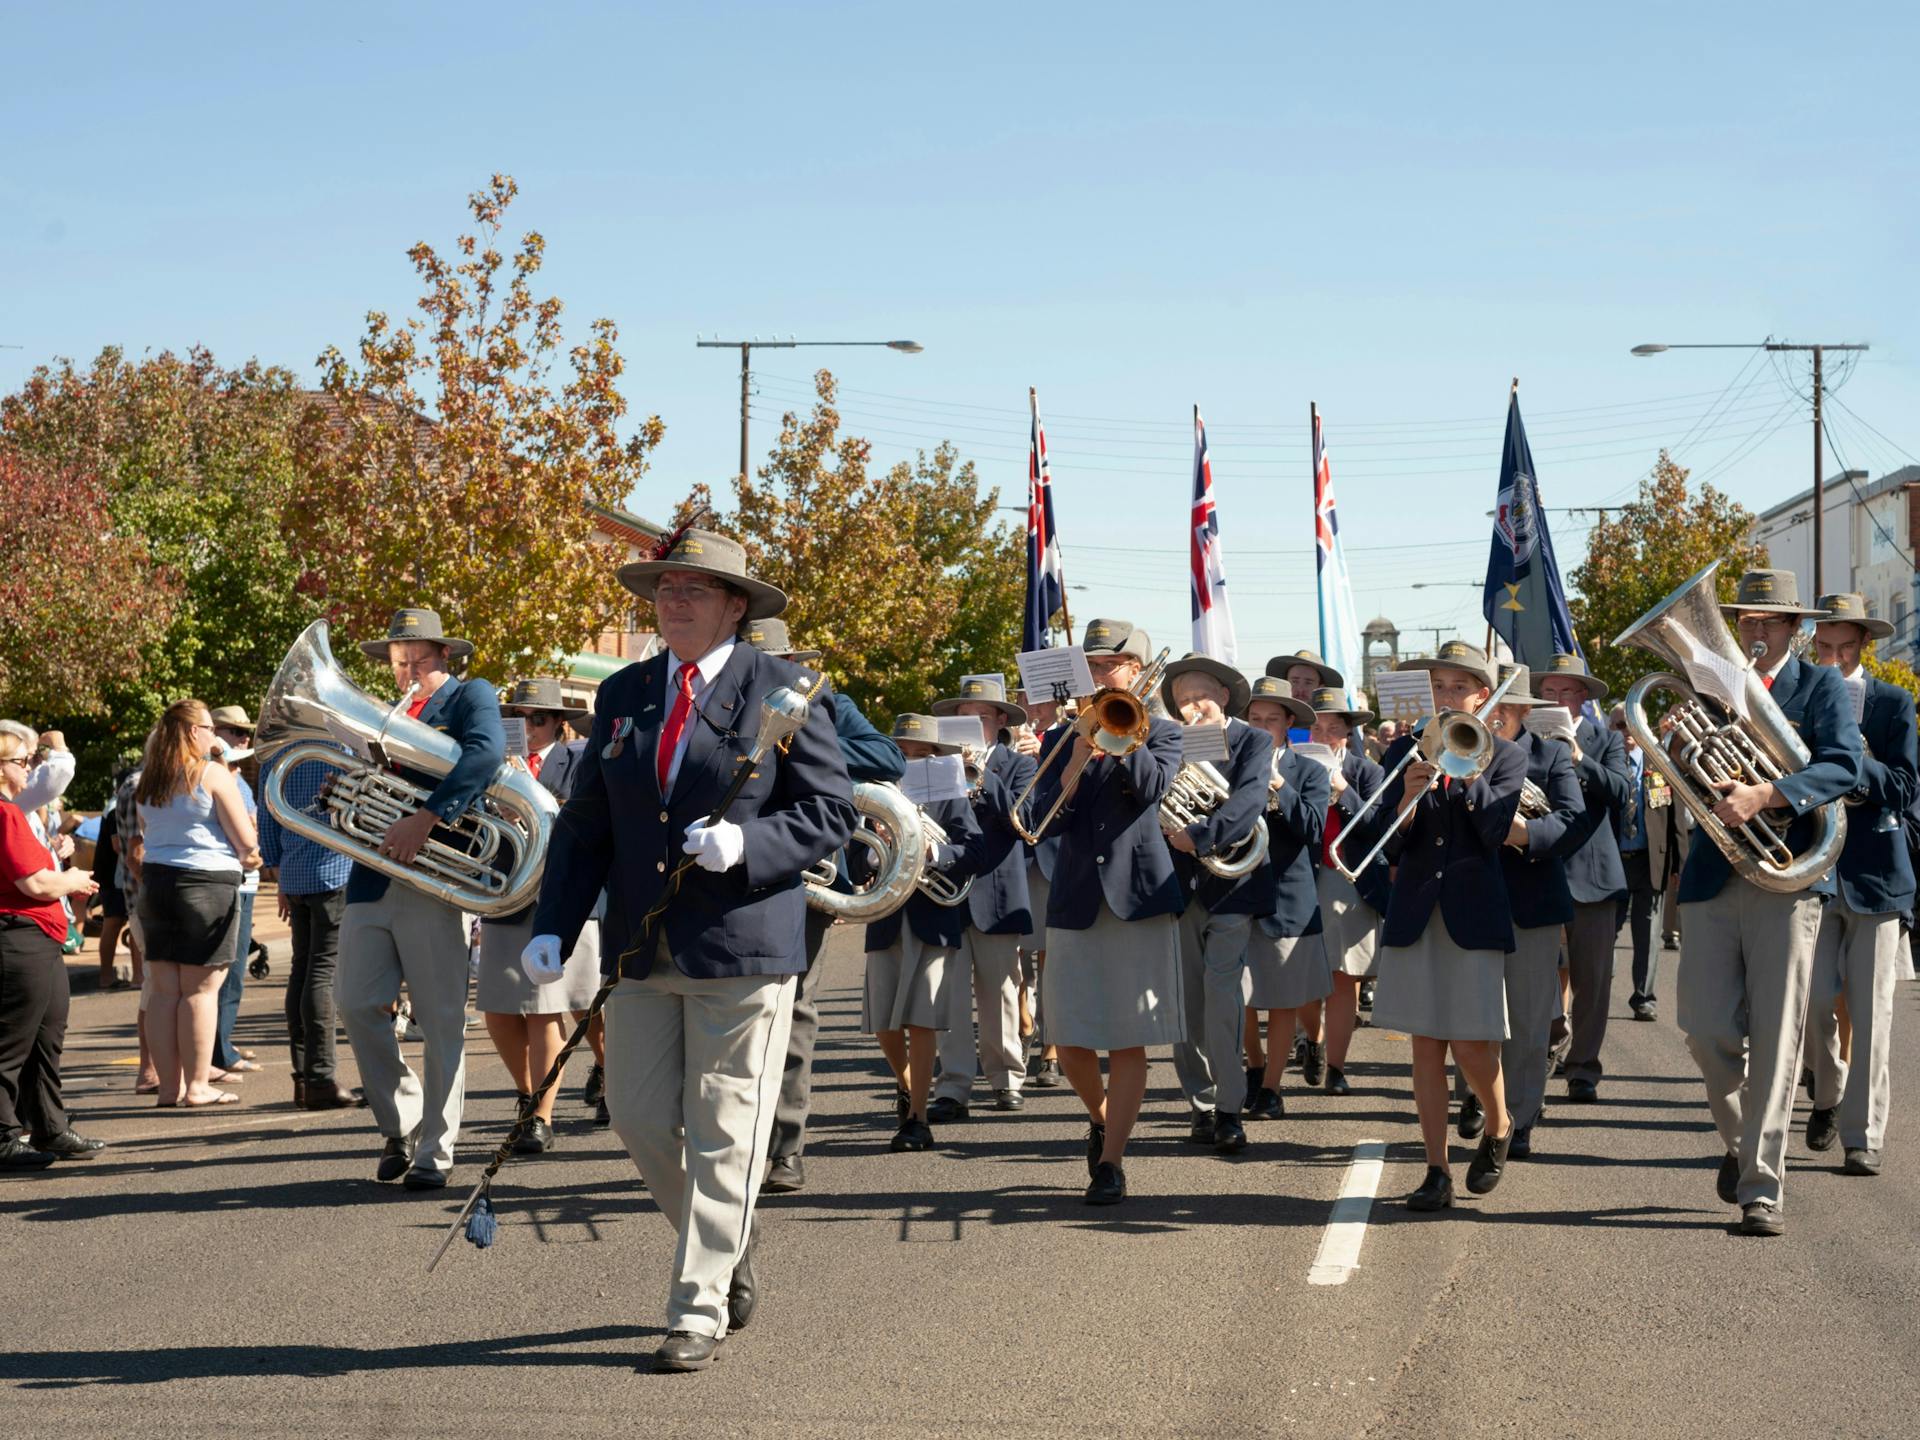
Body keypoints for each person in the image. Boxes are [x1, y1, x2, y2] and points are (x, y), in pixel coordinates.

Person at [523, 527, 855, 1372]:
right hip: (641, 940)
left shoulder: (784, 687)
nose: (672, 601)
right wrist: (554, 924)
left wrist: (746, 848)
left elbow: (830, 813)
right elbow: (590, 820)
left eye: (694, 590)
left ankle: (696, 1306)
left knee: (724, 1132)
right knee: (635, 1119)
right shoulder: (628, 691)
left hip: (744, 942)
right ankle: (726, 1242)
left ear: (735, 607)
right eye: (665, 588)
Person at [1673, 569, 1861, 1237]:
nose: (1752, 629)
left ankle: (1761, 1188)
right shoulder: (1708, 684)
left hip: (1788, 874)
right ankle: (1738, 1142)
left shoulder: (1822, 686)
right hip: (1714, 874)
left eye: (1766, 620)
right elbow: (1683, 762)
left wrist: (1768, 793)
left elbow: (1845, 766)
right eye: (1745, 620)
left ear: (1794, 628)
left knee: (1780, 1037)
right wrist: (1676, 741)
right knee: (1704, 1029)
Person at [1347, 641, 1526, 1212]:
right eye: (1439, 686)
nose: (1447, 696)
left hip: (1473, 910)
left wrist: (1466, 776)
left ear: (1482, 694)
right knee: (1426, 1044)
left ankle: (1499, 1125)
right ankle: (1435, 1169)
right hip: (1417, 910)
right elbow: (1382, 841)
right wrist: (1404, 796)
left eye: (1458, 687)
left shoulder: (1504, 754)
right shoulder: (1402, 749)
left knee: (1472, 1043)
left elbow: (1495, 831)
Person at [335, 608, 506, 1190]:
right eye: (400, 660)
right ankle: (401, 1119)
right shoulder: (380, 714)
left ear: (444, 657)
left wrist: (428, 818)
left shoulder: (469, 696)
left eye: (420, 659)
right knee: (356, 1003)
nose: (409, 669)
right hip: (371, 876)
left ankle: (435, 1151)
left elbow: (484, 756)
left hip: (435, 873)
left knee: (439, 1022)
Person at [1023, 617, 1184, 1206]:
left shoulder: (1161, 732)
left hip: (1137, 896)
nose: (1097, 674)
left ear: (1136, 673)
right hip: (1075, 898)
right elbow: (1045, 820)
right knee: (1067, 1038)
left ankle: (1111, 1161)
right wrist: (1076, 755)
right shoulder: (1060, 738)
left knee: (1128, 1042)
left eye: (1107, 666)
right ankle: (1102, 1116)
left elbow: (1151, 790)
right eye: (1090, 666)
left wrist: (1120, 742)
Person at [750, 617, 904, 1194]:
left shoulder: (824, 699)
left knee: (792, 1013)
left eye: (781, 661)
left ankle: (785, 1148)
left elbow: (886, 757)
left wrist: (802, 733)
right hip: (721, 870)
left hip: (799, 879)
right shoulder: (710, 700)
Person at [1802, 593, 1915, 1177]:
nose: (1835, 659)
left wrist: (1854, 759)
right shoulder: (1800, 699)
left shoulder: (1895, 704)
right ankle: (1827, 1092)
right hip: (1812, 874)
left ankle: (1862, 1136)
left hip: (1876, 875)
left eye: (1846, 648)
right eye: (1825, 647)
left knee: (1871, 1017)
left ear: (1863, 646)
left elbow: (1904, 786)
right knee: (1814, 1002)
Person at [474, 677, 602, 1153]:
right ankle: (527, 1098)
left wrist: (525, 795)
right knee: (499, 1010)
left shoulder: (579, 760)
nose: (528, 727)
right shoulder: (492, 765)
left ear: (559, 726)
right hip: (507, 892)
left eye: (539, 719)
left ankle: (546, 1114)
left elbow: (584, 817)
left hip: (562, 892)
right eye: (519, 718)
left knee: (564, 1008)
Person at [1162, 656, 1279, 1152]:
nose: (1192, 708)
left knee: (1222, 998)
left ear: (1225, 696)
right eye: (1183, 700)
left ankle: (1230, 1107)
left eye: (1200, 697)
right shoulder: (1168, 741)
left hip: (1232, 885)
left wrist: (1201, 836)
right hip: (1180, 887)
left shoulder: (1255, 740)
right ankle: (1201, 1104)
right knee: (1185, 1005)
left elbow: (1251, 798)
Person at [861, 714, 988, 1151]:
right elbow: (857, 859)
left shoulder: (951, 795)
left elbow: (974, 849)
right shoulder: (877, 797)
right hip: (886, 914)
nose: (914, 761)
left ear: (937, 757)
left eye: (923, 754)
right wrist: (874, 843)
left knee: (922, 1018)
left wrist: (932, 850)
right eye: (905, 754)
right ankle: (909, 1084)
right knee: (884, 1024)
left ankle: (917, 1118)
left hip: (933, 912)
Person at [1474, 667, 1584, 1160]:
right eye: (1487, 708)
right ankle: (1479, 1100)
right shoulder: (1461, 750)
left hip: (1531, 898)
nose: (1491, 718)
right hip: (1470, 896)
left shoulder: (1552, 754)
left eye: (1501, 709)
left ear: (1521, 712)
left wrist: (1524, 834)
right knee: (1473, 1013)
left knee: (1525, 1019)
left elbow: (1571, 818)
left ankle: (1518, 1116)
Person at [134, 701, 261, 1109]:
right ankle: (198, 1086)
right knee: (201, 992)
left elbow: (146, 832)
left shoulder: (147, 781)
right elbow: (246, 842)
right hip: (206, 882)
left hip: (156, 883)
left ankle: (169, 1088)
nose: (214, 735)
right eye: (208, 727)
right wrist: (252, 856)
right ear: (193, 733)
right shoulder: (211, 774)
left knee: (164, 992)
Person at [928, 675, 1038, 1122]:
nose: (971, 725)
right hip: (947, 890)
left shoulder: (1018, 765)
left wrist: (983, 773)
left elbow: (1024, 820)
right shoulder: (936, 766)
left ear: (998, 723)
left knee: (1001, 992)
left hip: (997, 889)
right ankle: (953, 1084)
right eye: (963, 719)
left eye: (980, 718)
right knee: (949, 997)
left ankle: (1007, 1077)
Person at [0, 723, 104, 1166]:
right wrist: (73, 878)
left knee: (46, 1037)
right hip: (18, 934)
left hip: (38, 936)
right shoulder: (4, 813)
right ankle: (4, 1136)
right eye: (23, 762)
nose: (30, 769)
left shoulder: (14, 811)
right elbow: (35, 882)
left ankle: (49, 1127)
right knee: (11, 1044)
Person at [1232, 677, 1329, 1135]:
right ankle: (1254, 1068)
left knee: (1284, 997)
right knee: (1243, 995)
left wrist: (1276, 785)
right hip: (1235, 888)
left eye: (1272, 719)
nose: (1262, 725)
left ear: (1289, 724)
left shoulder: (1308, 770)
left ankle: (1272, 1087)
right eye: (1254, 718)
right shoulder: (1230, 762)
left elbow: (1312, 828)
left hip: (1289, 893)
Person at [1536, 655, 1630, 1105]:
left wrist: (1577, 758)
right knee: (1537, 974)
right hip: (1539, 869)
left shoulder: (1605, 739)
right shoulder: (1525, 740)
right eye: (1549, 692)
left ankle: (1584, 1069)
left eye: (1566, 692)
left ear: (1583, 698)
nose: (1556, 700)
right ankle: (1551, 1037)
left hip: (1593, 875)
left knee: (1593, 980)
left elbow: (1623, 791)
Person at [257, 743, 359, 1110]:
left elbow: (267, 820)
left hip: (296, 872)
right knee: (321, 973)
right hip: (334, 870)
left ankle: (304, 1078)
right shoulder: (340, 748)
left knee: (303, 970)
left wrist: (279, 870)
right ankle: (319, 1077)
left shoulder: (276, 754)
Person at [1305, 686, 1388, 1096]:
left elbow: (1379, 827)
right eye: (1316, 728)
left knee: (1342, 980)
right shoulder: (1290, 765)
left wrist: (1343, 792)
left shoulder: (1365, 770)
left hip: (1344, 880)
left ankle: (1336, 1065)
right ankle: (1314, 1043)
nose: (1323, 736)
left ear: (1346, 734)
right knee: (1300, 977)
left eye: (1332, 729)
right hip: (1300, 879)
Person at [208, 707, 263, 1079]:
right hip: (232, 881)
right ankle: (218, 1054)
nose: (244, 739)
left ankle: (220, 1045)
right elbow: (246, 833)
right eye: (235, 732)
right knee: (225, 973)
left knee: (231, 973)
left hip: (243, 882)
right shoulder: (219, 776)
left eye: (246, 733)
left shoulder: (236, 779)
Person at [1014, 689, 1063, 1090]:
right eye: (1026, 701)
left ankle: (1051, 1046)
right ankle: (1022, 1023)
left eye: (1041, 702)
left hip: (1049, 856)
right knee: (1013, 956)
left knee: (1050, 960)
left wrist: (1042, 757)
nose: (1034, 709)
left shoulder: (1066, 736)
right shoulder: (1001, 741)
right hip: (1011, 860)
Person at [1610, 706, 1661, 1021]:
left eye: (1632, 726)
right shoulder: (1607, 763)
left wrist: (1675, 865)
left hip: (1648, 861)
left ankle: (1644, 998)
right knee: (1606, 933)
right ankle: (1602, 988)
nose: (1627, 732)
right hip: (1612, 861)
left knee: (1648, 934)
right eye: (1619, 725)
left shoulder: (1658, 767)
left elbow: (1671, 819)